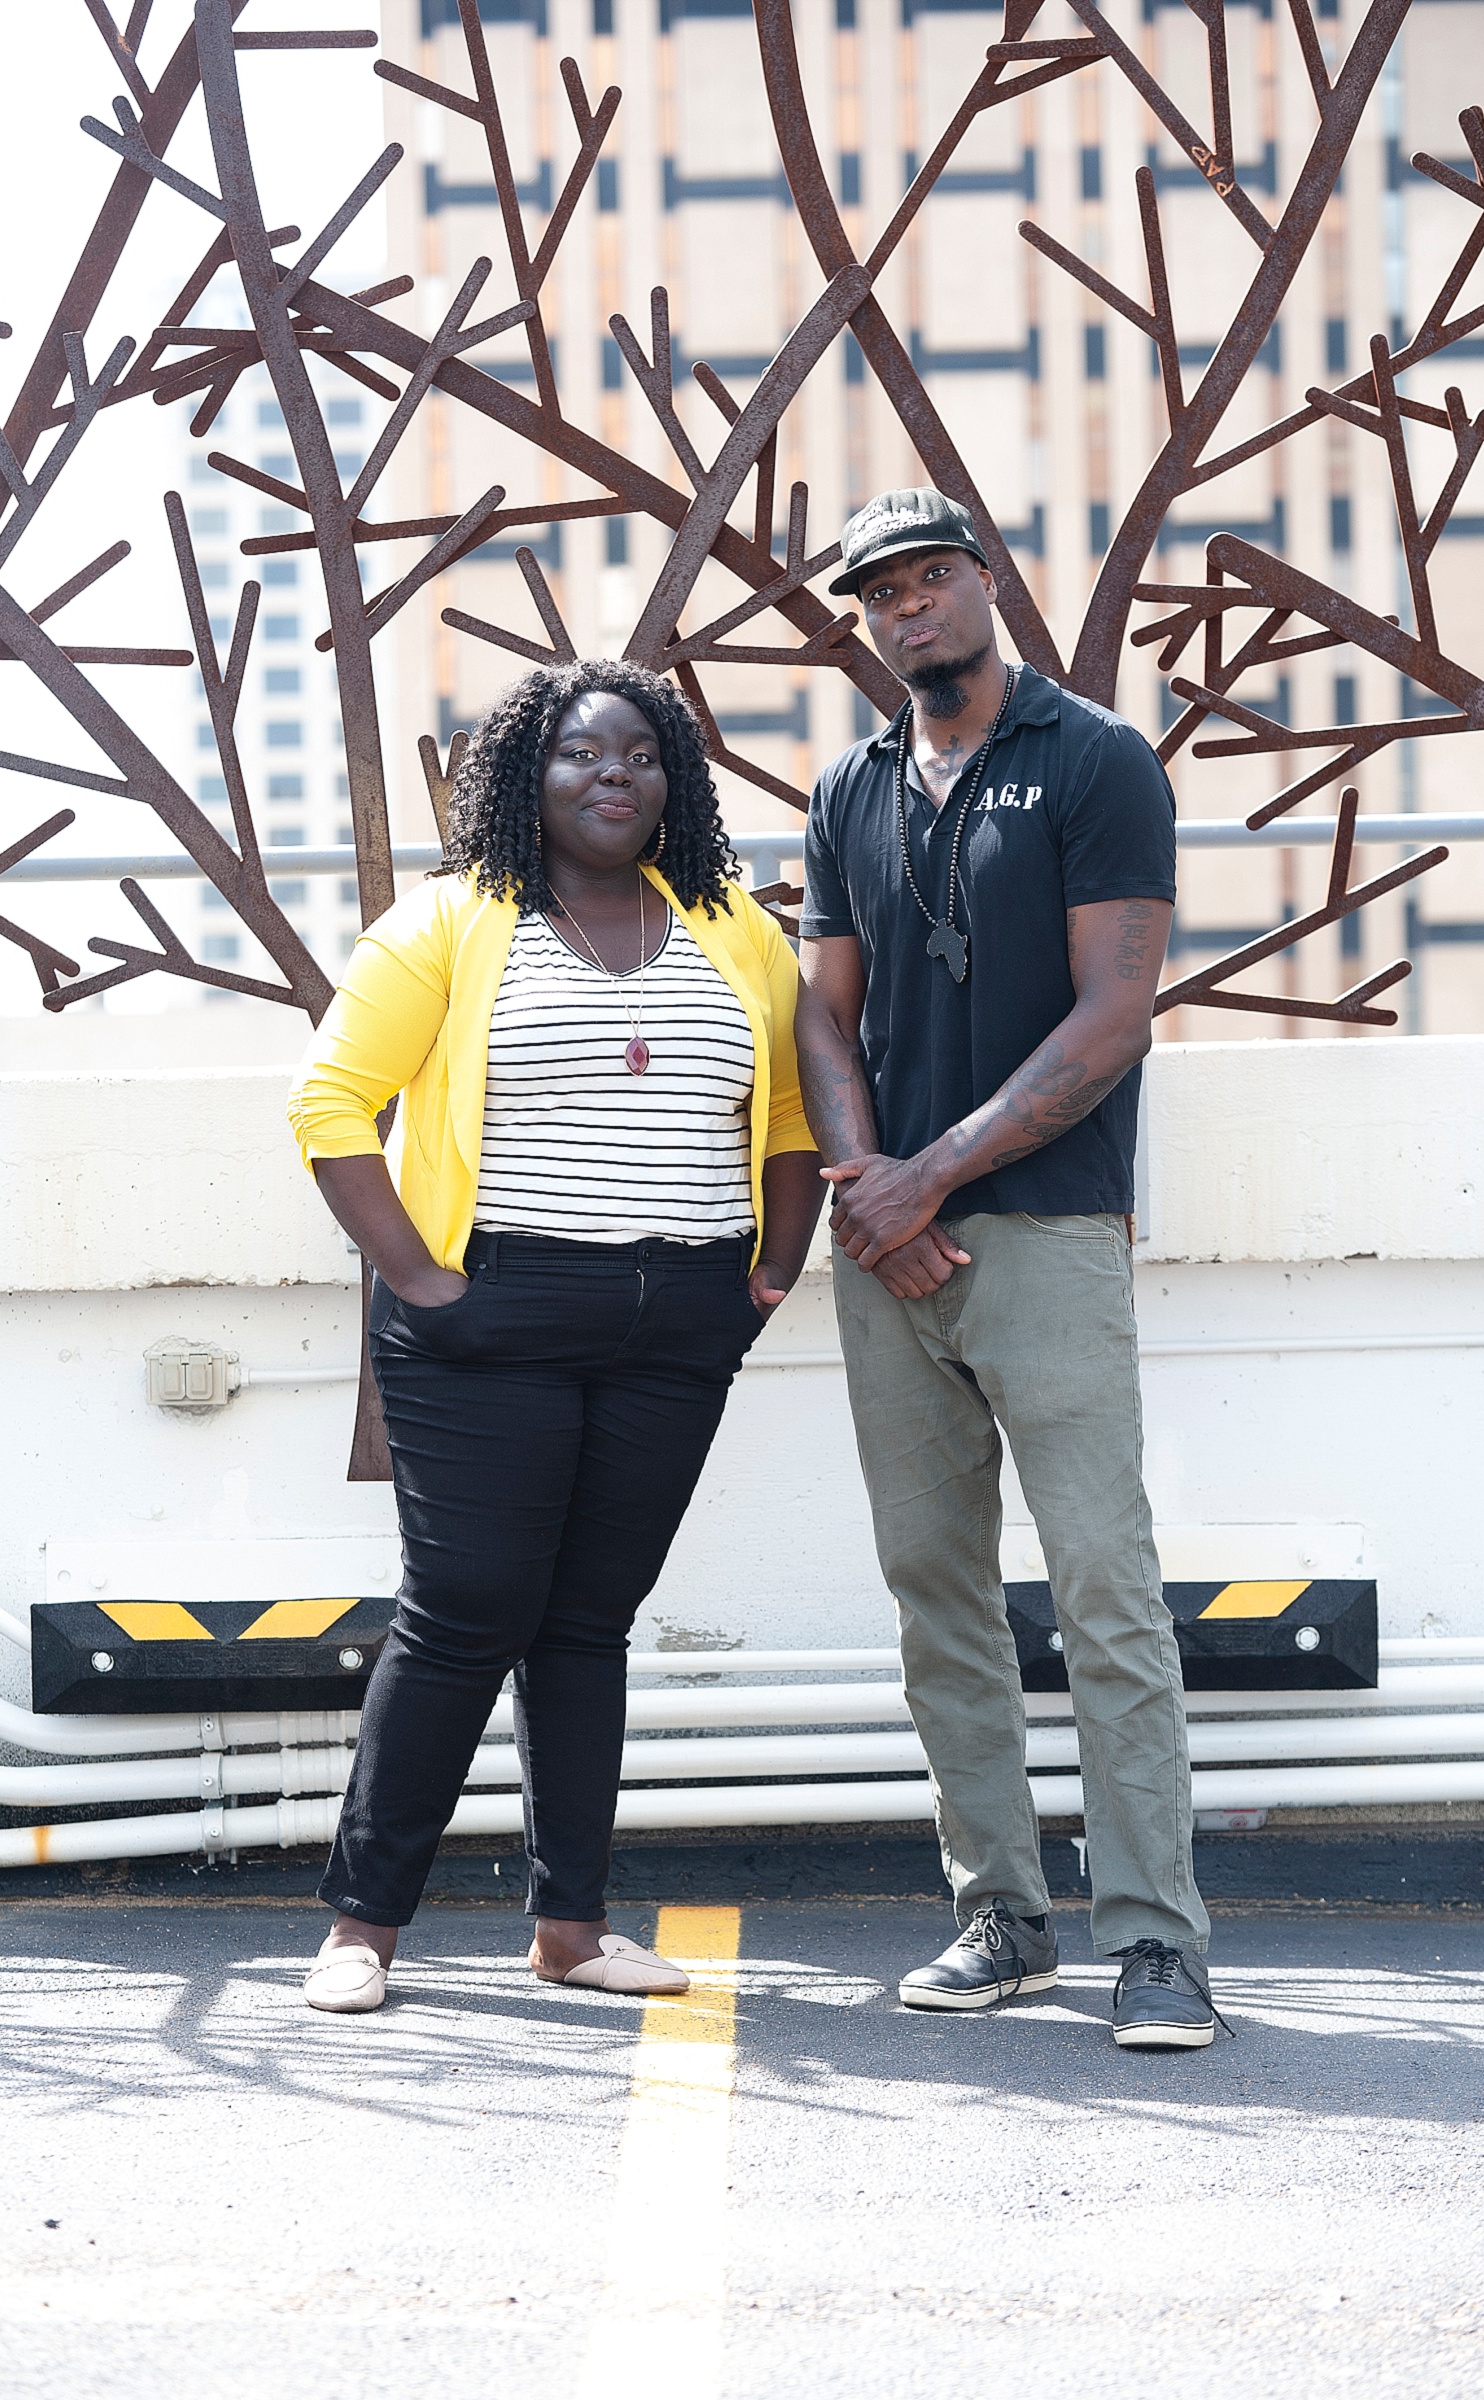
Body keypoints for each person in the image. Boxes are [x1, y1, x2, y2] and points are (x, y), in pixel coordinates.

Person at [288, 661, 821, 2013]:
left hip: (677, 1323)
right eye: (583, 754)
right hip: (491, 1318)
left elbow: (794, 1118)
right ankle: (363, 1926)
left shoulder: (732, 928)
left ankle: (573, 1928)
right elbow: (332, 1107)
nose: (612, 776)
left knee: (588, 1622)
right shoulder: (453, 924)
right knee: (465, 1614)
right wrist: (420, 1280)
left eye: (641, 755)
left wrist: (766, 1274)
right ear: (530, 776)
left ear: (673, 782)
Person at [794, 488, 1218, 2048]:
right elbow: (821, 1016)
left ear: (987, 582)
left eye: (929, 576)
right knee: (937, 1588)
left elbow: (1114, 1020)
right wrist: (870, 1192)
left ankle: (1158, 1940)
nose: (908, 607)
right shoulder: (850, 786)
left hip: (1040, 1227)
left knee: (1106, 1585)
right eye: (879, 593)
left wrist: (930, 1177)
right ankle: (1002, 1912)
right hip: (890, 1246)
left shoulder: (1097, 758)